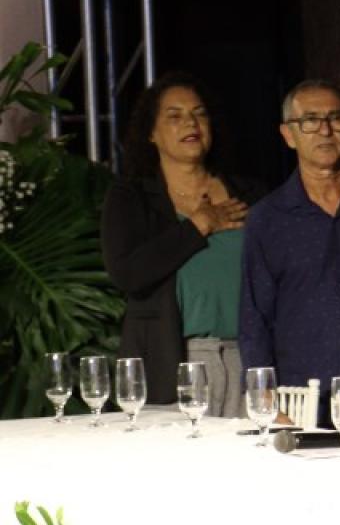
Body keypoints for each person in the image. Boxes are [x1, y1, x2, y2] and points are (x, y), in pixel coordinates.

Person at [238, 79, 340, 418]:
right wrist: (263, 396)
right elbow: (255, 317)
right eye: (310, 121)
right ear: (288, 134)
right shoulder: (267, 219)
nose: (325, 131)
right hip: (301, 403)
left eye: (335, 118)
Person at [101, 73, 263, 413]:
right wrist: (198, 226)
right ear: (151, 133)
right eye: (174, 116)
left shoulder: (249, 194)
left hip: (248, 359)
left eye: (199, 113)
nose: (191, 123)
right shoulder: (132, 197)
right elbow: (128, 273)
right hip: (172, 362)